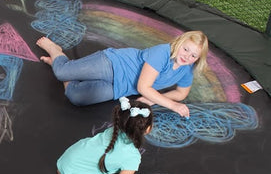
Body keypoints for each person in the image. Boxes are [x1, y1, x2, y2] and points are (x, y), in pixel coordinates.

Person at [36, 31, 209, 117]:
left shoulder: (187, 69)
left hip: (121, 87)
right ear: (179, 43)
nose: (187, 56)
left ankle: (63, 66)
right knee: (61, 72)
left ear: (198, 59)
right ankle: (55, 51)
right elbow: (143, 86)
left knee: (76, 97)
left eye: (193, 55)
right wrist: (172, 105)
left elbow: (182, 93)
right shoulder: (162, 53)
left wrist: (151, 99)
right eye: (186, 49)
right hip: (113, 64)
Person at [57, 97, 168, 174]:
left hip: (68, 157)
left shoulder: (115, 130)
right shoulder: (132, 157)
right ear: (148, 128)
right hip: (72, 172)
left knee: (113, 169)